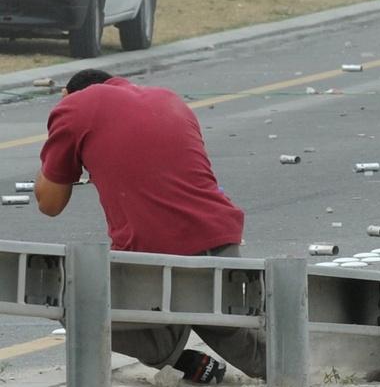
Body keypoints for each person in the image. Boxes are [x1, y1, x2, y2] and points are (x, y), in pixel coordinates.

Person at [34, 69, 265, 384]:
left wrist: (55, 146)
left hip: (151, 264)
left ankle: (178, 357)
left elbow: (49, 203)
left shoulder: (75, 106)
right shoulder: (168, 99)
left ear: (70, 94)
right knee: (259, 354)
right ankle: (318, 360)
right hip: (220, 244)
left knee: (73, 301)